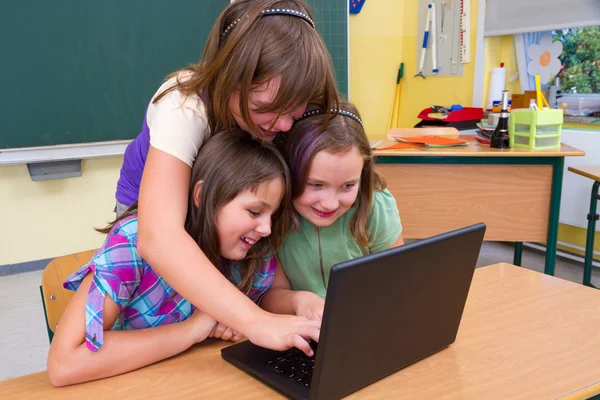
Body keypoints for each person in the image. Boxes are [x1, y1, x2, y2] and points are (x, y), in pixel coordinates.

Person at [116, 0, 338, 354]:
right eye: (266, 111)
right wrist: (256, 320)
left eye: (293, 114)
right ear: (231, 76)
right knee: (171, 324)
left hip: (221, 225)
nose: (283, 126)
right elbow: (158, 237)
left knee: (212, 332)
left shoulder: (279, 107)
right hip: (151, 222)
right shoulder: (183, 102)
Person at [47, 131, 317, 386]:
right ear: (202, 196)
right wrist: (193, 330)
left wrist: (297, 300)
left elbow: (269, 295)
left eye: (272, 215)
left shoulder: (248, 250)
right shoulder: (131, 243)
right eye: (254, 212)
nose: (267, 229)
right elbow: (64, 364)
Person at [261, 101, 404, 320]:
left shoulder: (375, 205)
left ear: (362, 175)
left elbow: (397, 279)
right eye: (316, 185)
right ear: (288, 171)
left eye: (348, 186)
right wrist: (299, 301)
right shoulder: (270, 216)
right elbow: (269, 297)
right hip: (300, 331)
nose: (330, 204)